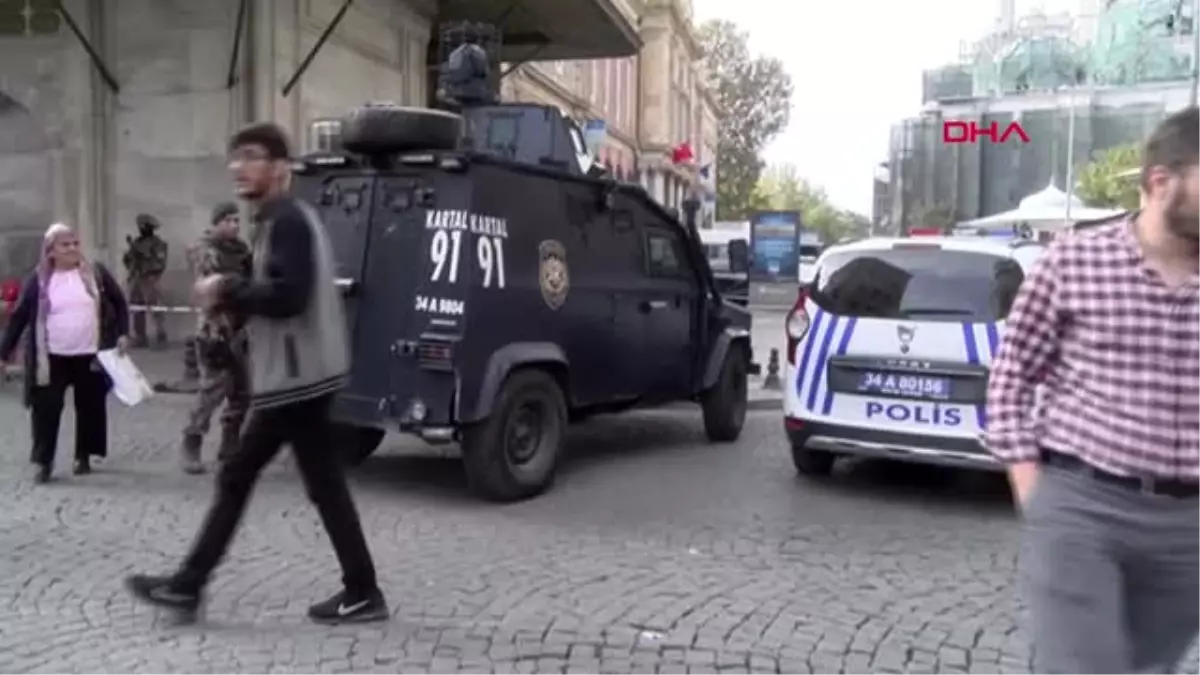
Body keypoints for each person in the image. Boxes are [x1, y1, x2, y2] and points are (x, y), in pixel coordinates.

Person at [124, 122, 387, 624]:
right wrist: (238, 296)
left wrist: (226, 288)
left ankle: (190, 585)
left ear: (281, 168)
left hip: (296, 380)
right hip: (299, 377)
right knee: (292, 482)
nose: (237, 167)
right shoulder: (279, 219)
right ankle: (359, 589)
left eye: (251, 156)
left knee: (247, 476)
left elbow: (290, 296)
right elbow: (281, 289)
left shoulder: (287, 218)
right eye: (235, 157)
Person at [987, 107, 1200, 674]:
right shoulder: (1076, 260)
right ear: (1162, 182)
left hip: (1189, 532)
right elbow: (1010, 379)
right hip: (1084, 508)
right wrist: (1034, 490)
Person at [0, 223, 130, 483]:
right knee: (46, 408)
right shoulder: (38, 280)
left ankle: (83, 455)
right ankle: (44, 462)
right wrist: (4, 353)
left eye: (75, 244)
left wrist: (123, 333)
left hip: (89, 354)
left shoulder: (96, 274)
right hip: (50, 357)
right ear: (51, 251)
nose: (72, 249)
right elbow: (20, 317)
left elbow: (118, 301)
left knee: (90, 406)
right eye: (65, 245)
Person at [179, 202, 252, 474]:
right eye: (229, 220)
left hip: (243, 327)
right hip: (216, 329)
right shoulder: (206, 249)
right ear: (217, 222)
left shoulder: (242, 250)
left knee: (242, 391)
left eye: (237, 220)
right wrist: (223, 324)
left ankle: (230, 446)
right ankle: (192, 441)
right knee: (212, 389)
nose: (234, 225)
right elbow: (210, 289)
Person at [123, 213, 169, 348]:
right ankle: (140, 337)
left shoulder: (158, 244)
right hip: (137, 278)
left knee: (156, 308)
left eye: (143, 226)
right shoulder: (137, 242)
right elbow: (128, 261)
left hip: (150, 279)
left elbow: (159, 263)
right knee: (137, 308)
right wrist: (131, 254)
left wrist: (143, 254)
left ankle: (160, 335)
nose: (141, 229)